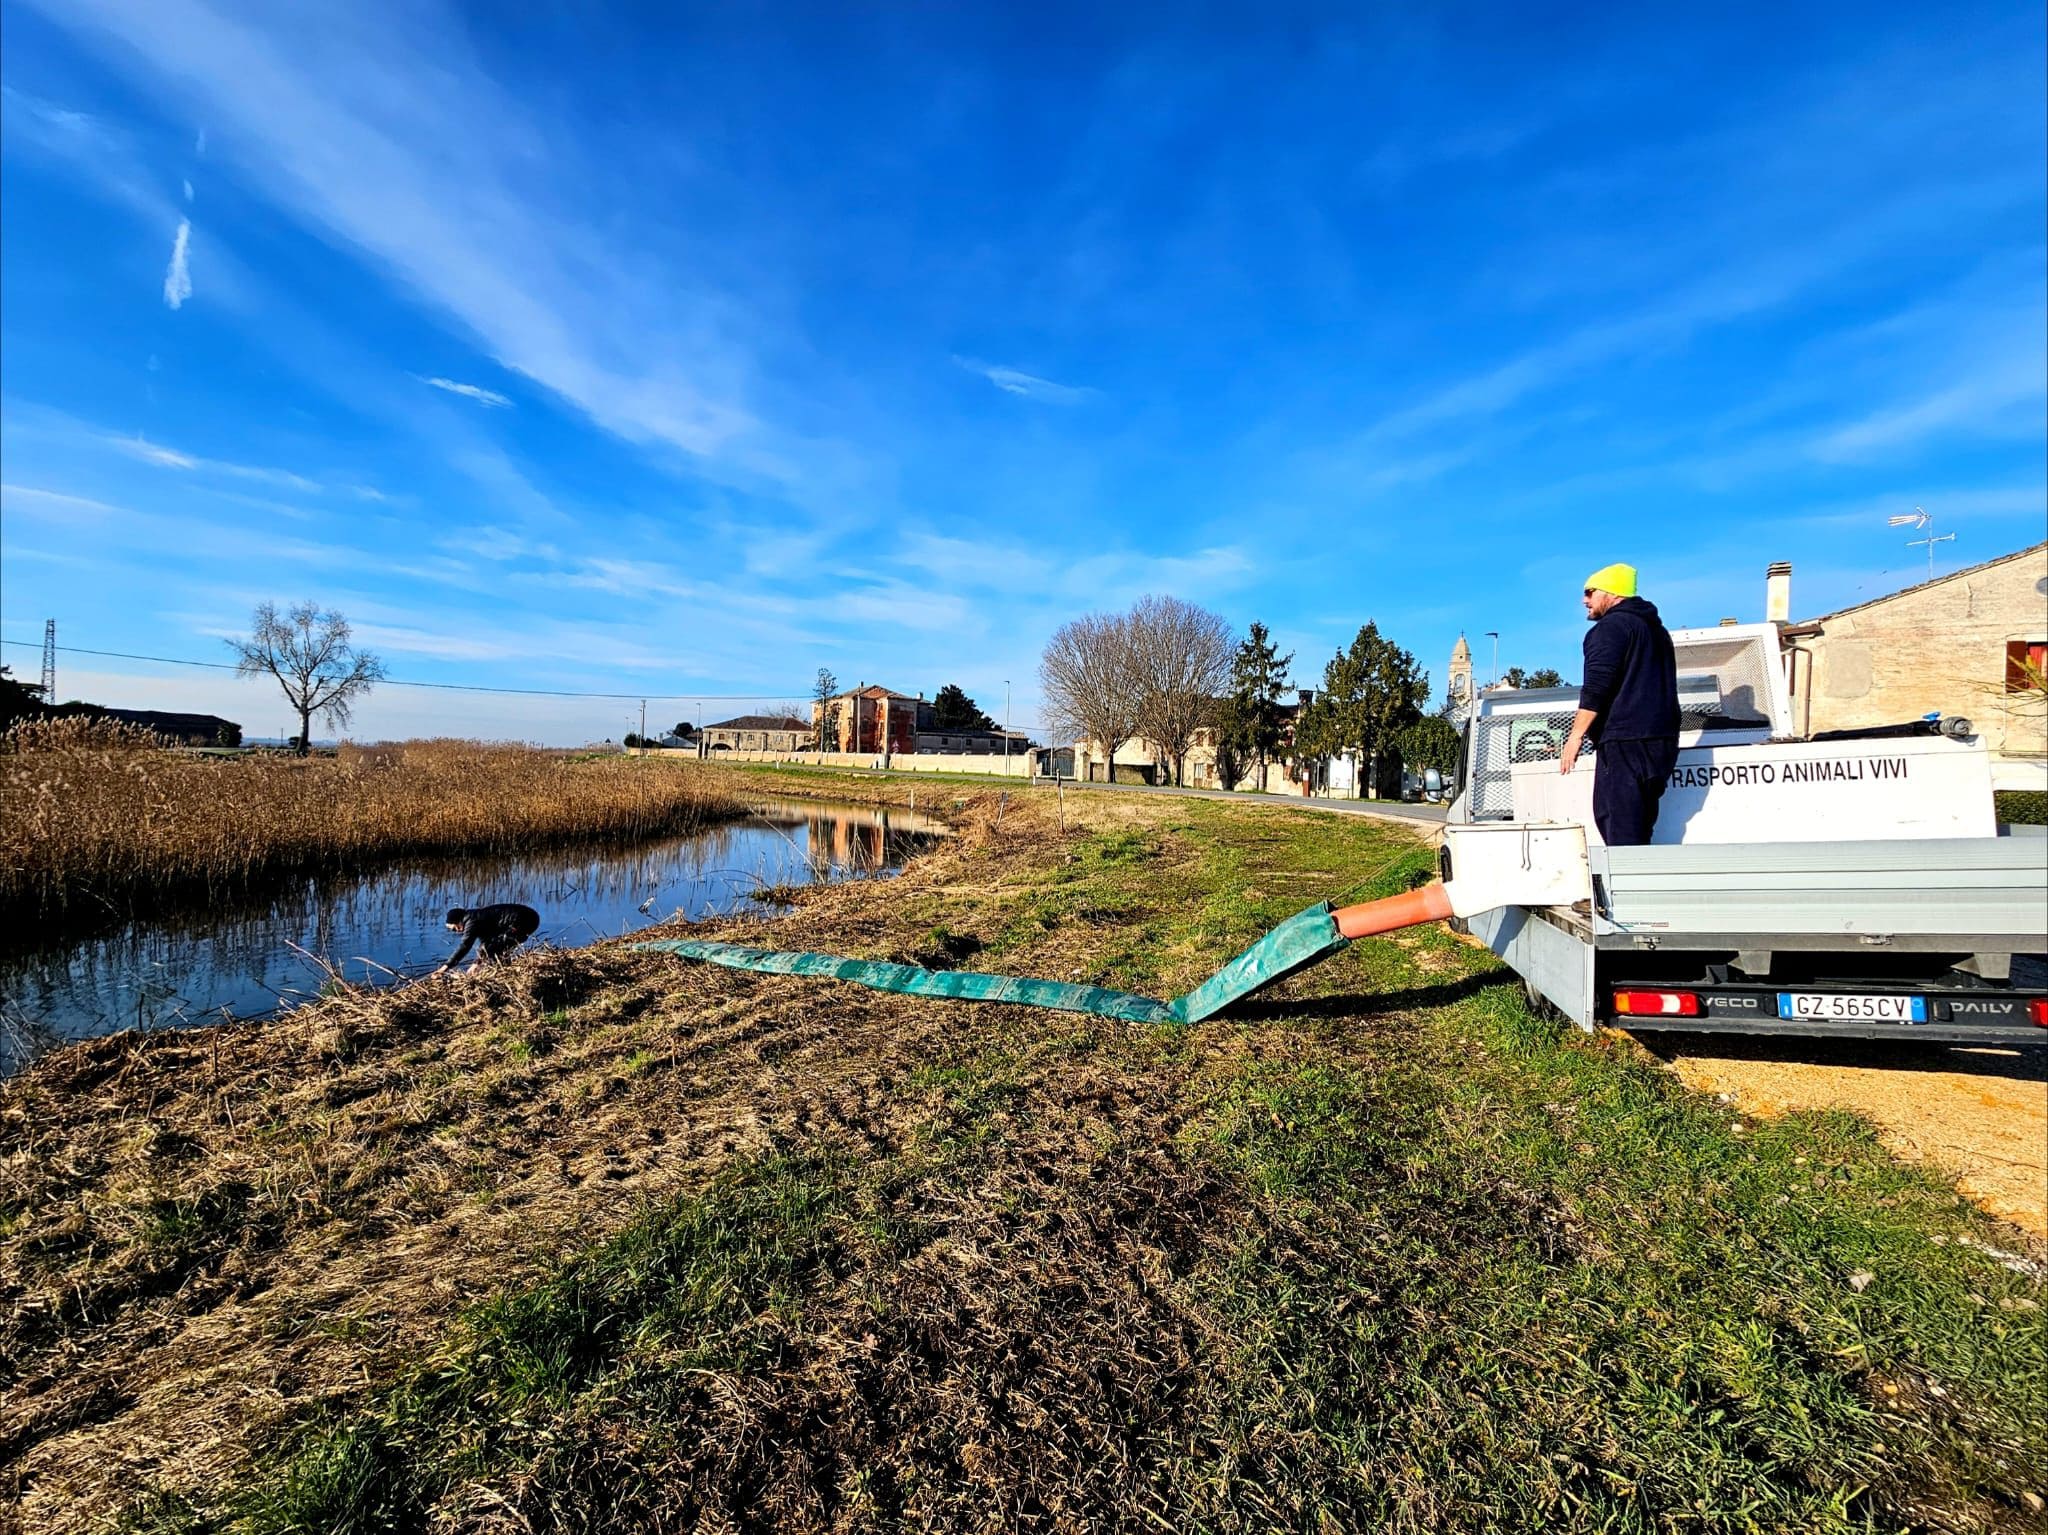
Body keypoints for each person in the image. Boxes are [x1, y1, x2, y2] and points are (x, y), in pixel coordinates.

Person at [1557, 563, 1680, 846]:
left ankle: (1628, 877)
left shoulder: (1610, 629)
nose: (1584, 600)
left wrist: (1575, 737)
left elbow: (1597, 687)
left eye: (1590, 592)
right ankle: (1640, 873)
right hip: (1661, 741)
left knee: (1618, 828)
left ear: (1612, 592)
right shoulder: (1657, 632)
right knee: (1641, 828)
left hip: (1625, 741)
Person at [441, 903, 541, 970]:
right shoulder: (476, 917)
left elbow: (465, 946)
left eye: (454, 929)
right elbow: (485, 944)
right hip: (529, 918)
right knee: (496, 947)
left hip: (524, 920)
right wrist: (477, 963)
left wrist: (445, 967)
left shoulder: (471, 921)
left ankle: (504, 972)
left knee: (495, 948)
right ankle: (505, 970)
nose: (457, 931)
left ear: (458, 921)